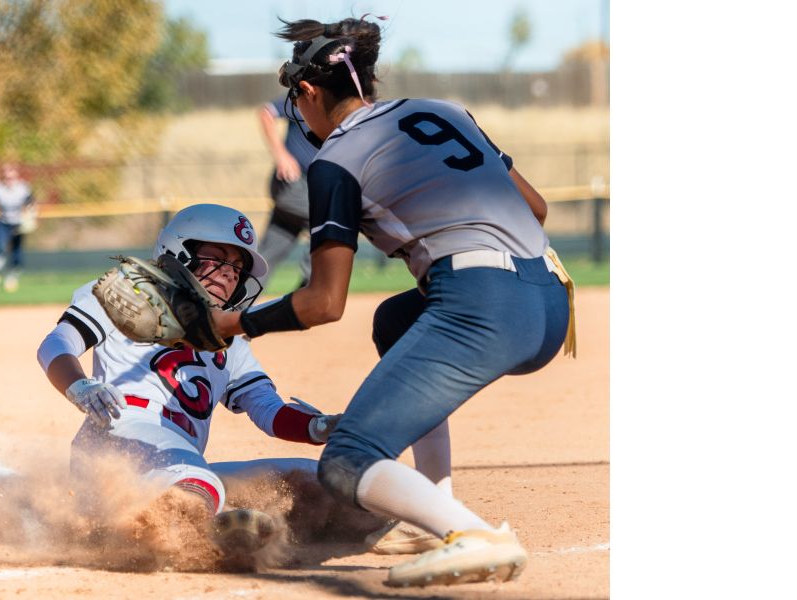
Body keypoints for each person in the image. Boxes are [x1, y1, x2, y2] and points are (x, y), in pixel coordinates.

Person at [206, 17, 573, 587]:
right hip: (548, 301)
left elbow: (324, 302)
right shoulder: (449, 111)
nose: (299, 116)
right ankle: (436, 512)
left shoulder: (335, 160)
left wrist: (238, 323)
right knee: (396, 321)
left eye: (296, 103)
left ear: (306, 92)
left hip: (486, 307)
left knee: (348, 460)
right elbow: (538, 208)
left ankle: (470, 535)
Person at [36, 203, 371, 562]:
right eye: (218, 258)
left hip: (177, 461)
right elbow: (56, 344)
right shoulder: (127, 294)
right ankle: (186, 542)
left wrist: (321, 427)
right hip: (117, 444)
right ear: (178, 251)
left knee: (321, 478)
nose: (230, 273)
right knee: (195, 477)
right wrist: (79, 386)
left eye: (238, 267)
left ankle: (356, 525)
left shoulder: (232, 340)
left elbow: (269, 411)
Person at [255, 98, 316, 288]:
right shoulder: (310, 96)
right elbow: (266, 111)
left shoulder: (347, 104)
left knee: (267, 254)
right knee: (331, 222)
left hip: (313, 188)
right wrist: (280, 154)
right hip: (292, 183)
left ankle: (228, 307)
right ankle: (310, 292)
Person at [0, 164, 36, 293]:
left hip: (18, 223)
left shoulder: (23, 188)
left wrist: (30, 218)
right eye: (6, 178)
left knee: (16, 251)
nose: (9, 180)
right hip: (2, 222)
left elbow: (31, 203)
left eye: (12, 177)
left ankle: (12, 277)